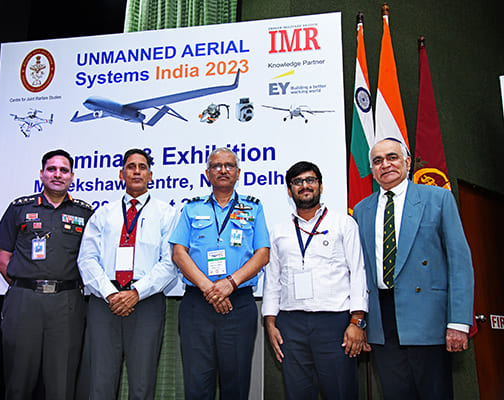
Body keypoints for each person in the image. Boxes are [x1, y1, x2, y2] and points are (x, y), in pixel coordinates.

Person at [352, 138, 474, 399]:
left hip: (428, 319)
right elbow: (360, 271)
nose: (385, 165)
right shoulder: (362, 210)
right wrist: (360, 322)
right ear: (372, 170)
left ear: (407, 162)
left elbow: (460, 263)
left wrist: (459, 322)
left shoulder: (438, 198)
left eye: (392, 157)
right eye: (378, 161)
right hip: (382, 323)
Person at [77, 148, 179, 399]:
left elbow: (170, 262)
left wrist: (136, 292)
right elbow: (86, 259)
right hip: (104, 302)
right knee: (101, 381)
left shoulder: (167, 213)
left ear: (150, 175)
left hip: (146, 302)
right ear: (121, 174)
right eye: (131, 166)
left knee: (142, 383)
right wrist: (111, 294)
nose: (136, 171)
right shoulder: (103, 214)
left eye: (142, 167)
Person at [0, 149, 94, 400]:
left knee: (62, 383)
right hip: (24, 301)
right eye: (52, 169)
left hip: (66, 302)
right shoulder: (19, 208)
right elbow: (1, 258)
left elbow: (91, 259)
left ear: (72, 176)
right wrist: (26, 286)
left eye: (64, 170)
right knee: (18, 381)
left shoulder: (85, 213)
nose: (57, 175)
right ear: (41, 174)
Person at [170, 147, 270, 400]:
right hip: (197, 304)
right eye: (216, 166)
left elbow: (262, 254)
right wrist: (209, 288)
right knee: (197, 383)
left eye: (229, 166)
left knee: (235, 384)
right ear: (207, 174)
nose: (223, 170)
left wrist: (229, 284)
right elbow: (179, 253)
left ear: (238, 173)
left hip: (239, 303)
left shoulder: (254, 208)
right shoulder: (191, 208)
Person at [262, 161, 368, 400]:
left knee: (341, 393)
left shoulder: (344, 224)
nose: (305, 186)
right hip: (291, 324)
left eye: (310, 180)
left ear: (320, 185)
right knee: (297, 394)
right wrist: (270, 323)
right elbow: (272, 280)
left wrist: (357, 320)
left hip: (335, 324)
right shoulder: (279, 230)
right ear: (290, 191)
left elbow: (358, 273)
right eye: (297, 182)